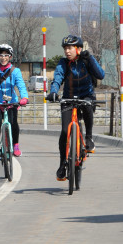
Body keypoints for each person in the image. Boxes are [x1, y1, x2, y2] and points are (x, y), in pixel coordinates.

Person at [46, 34, 105, 181]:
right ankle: (62, 165)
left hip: (87, 95)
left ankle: (89, 138)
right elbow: (58, 77)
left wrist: (89, 58)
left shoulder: (86, 60)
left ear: (78, 49)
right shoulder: (63, 63)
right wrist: (53, 92)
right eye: (65, 48)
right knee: (65, 131)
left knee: (88, 107)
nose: (67, 51)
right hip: (68, 97)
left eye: (70, 48)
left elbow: (101, 75)